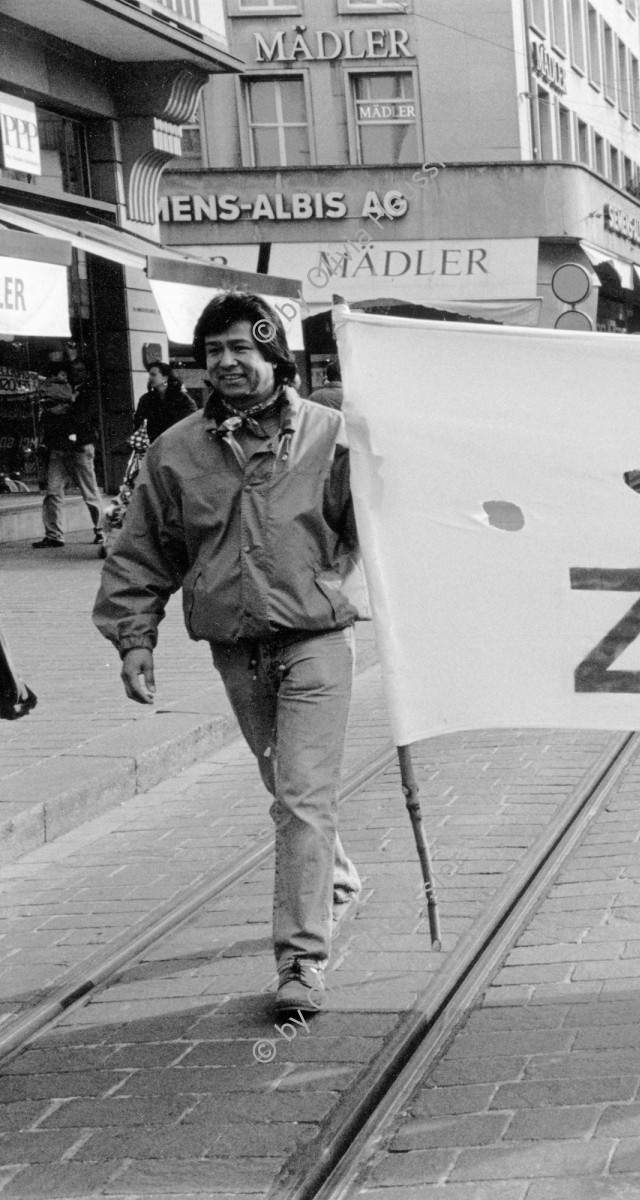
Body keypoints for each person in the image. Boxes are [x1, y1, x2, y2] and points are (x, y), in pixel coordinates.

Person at [94, 292, 366, 1017]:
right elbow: (142, 551)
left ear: (275, 356)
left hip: (314, 640)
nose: (226, 363)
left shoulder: (330, 437)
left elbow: (379, 523)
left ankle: (302, 962)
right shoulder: (176, 450)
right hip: (235, 649)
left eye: (242, 348)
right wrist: (133, 637)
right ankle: (330, 872)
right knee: (286, 788)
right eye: (213, 350)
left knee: (302, 797)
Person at [34, 363, 104, 549]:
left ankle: (101, 530)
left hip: (79, 447)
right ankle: (54, 535)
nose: (75, 374)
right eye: (74, 371)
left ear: (87, 373)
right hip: (60, 446)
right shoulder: (65, 390)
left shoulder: (88, 392)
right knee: (53, 492)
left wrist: (61, 413)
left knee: (89, 492)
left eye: (80, 370)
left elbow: (80, 418)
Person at [135, 361, 197, 443]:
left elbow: (191, 422)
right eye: (149, 375)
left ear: (165, 378)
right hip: (154, 445)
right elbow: (138, 424)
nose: (150, 378)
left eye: (153, 375)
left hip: (178, 444)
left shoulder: (183, 399)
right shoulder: (145, 399)